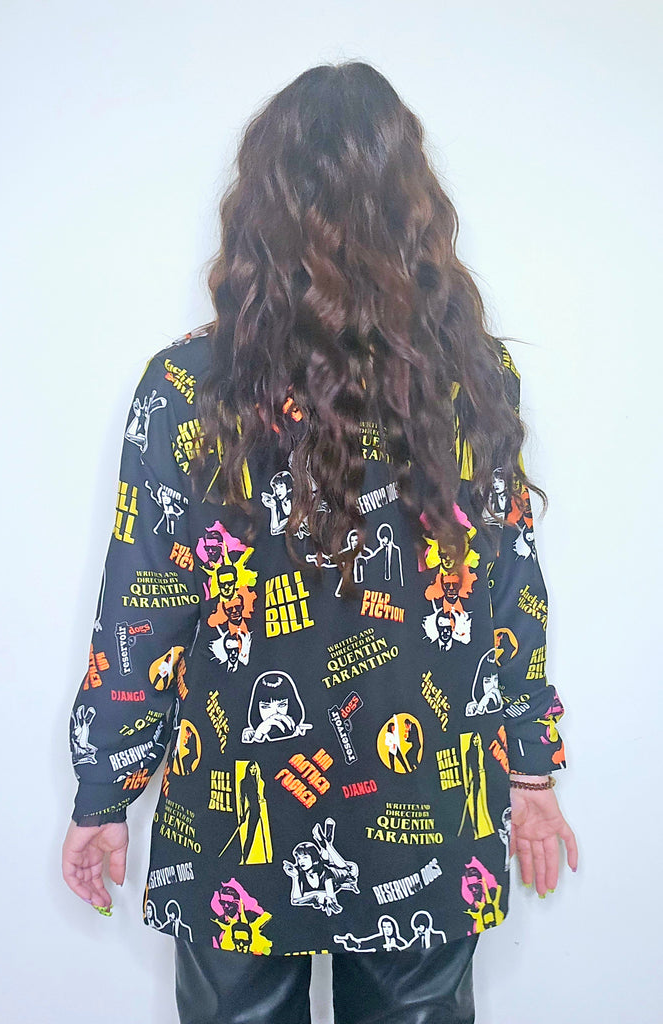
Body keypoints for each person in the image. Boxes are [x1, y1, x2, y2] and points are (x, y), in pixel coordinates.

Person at [61, 60, 578, 1024]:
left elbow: (143, 608)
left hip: (233, 810)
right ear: (411, 204)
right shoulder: (468, 377)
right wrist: (528, 766)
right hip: (428, 799)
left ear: (261, 204)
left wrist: (104, 792)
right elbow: (509, 588)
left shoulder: (187, 386)